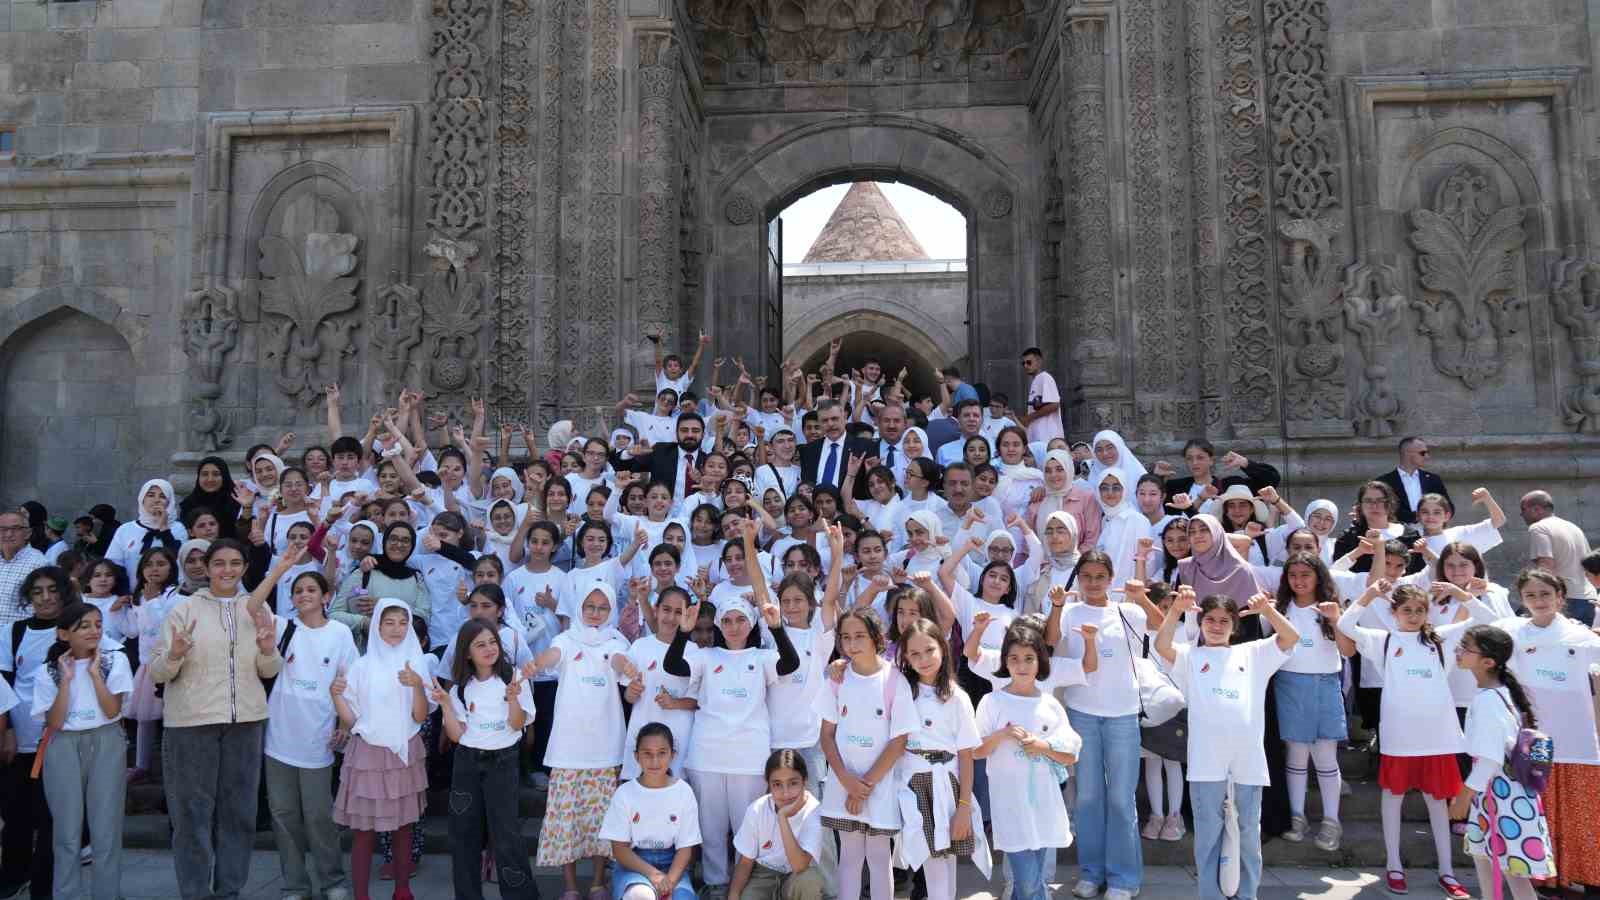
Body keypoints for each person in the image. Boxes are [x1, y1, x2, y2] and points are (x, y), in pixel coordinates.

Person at [665, 521, 801, 900]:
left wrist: (777, 628)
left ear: (751, 622)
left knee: (748, 826)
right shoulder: (706, 656)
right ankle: (715, 882)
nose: (734, 625)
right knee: (710, 827)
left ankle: (751, 884)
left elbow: (790, 665)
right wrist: (682, 632)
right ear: (719, 625)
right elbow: (674, 667)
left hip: (750, 756)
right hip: (708, 754)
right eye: (727, 620)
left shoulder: (762, 656)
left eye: (741, 619)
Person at [1337, 580, 1498, 899]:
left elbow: (1487, 621)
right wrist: (1370, 595)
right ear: (1393, 612)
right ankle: (1394, 866)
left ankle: (1447, 871)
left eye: (1419, 610)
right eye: (1406, 610)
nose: (1413, 615)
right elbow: (1345, 623)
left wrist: (1461, 594)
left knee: (1438, 804)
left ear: (1428, 613)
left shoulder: (1442, 638)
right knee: (1392, 800)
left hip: (1437, 738)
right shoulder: (1382, 639)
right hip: (1399, 737)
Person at [151, 539, 287, 900]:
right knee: (192, 818)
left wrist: (267, 649)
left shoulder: (256, 609)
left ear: (244, 568)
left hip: (246, 722)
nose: (227, 570)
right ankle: (195, 893)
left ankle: (229, 891)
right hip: (191, 725)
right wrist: (176, 653)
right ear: (206, 567)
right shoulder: (183, 610)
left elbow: (268, 670)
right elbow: (158, 672)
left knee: (239, 814)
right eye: (219, 563)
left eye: (235, 563)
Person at [1155, 587, 1299, 900]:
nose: (1217, 626)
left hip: (1247, 762)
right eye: (1210, 619)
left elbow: (1290, 638)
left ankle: (1247, 895)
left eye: (1224, 620)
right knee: (1208, 836)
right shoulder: (1191, 655)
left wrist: (1268, 612)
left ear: (1235, 625)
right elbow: (1162, 644)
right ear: (1201, 621)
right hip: (1206, 762)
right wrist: (1176, 609)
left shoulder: (1253, 653)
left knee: (1248, 834)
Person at [1491, 569, 1600, 893]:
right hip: (1535, 743)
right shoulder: (1512, 636)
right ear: (1522, 600)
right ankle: (1547, 879)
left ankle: (1588, 875)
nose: (1539, 601)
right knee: (1541, 811)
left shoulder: (1583, 639)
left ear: (1561, 598)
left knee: (1584, 812)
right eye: (1531, 595)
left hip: (1580, 740)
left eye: (1545, 594)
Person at [528, 583, 637, 900]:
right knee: (567, 822)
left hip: (605, 749)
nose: (595, 613)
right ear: (579, 607)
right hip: (568, 749)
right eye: (590, 606)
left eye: (603, 608)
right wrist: (538, 663)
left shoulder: (617, 641)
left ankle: (598, 882)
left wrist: (626, 666)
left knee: (604, 821)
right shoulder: (565, 639)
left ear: (610, 612)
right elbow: (553, 655)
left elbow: (618, 661)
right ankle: (571, 886)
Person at [262, 563, 360, 900]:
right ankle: (295, 885)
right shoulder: (281, 627)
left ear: (326, 597)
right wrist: (279, 571)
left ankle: (332, 880)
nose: (304, 595)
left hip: (318, 739)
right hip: (278, 739)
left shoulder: (340, 634)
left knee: (319, 816)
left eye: (311, 590)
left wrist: (345, 724)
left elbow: (351, 684)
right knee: (284, 815)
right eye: (298, 590)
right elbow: (250, 606)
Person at [329, 598, 434, 900]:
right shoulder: (361, 666)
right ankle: (361, 894)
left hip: (405, 752)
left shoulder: (417, 662)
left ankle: (403, 890)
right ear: (376, 624)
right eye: (389, 622)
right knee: (363, 832)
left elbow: (420, 716)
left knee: (403, 828)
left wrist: (416, 684)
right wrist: (335, 697)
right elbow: (352, 719)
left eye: (403, 622)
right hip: (368, 754)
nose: (397, 629)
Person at [32, 601, 133, 900]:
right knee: (66, 831)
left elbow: (113, 709)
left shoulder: (115, 661)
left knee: (106, 829)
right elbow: (55, 721)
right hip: (62, 745)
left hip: (106, 741)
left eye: (98, 624)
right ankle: (66, 894)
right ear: (64, 634)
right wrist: (65, 681)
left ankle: (107, 894)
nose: (94, 631)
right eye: (84, 626)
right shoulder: (48, 670)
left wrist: (94, 675)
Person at [974, 622, 1081, 900]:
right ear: (1005, 662)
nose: (1021, 665)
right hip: (1009, 805)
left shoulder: (1050, 705)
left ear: (1040, 662)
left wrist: (1043, 745)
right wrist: (1002, 734)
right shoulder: (991, 702)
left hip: (1043, 804)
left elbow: (1071, 752)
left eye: (1029, 658)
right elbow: (976, 751)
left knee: (1029, 885)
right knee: (1031, 883)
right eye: (1014, 658)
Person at [433, 620, 539, 900]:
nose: (489, 648)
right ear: (466, 653)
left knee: (506, 835)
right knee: (463, 835)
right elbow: (456, 736)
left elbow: (517, 725)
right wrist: (445, 703)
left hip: (503, 762)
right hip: (467, 763)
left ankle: (521, 896)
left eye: (492, 642)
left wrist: (513, 698)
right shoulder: (460, 687)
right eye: (480, 644)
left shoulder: (514, 677)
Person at [1449, 624, 1555, 900]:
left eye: (1465, 647)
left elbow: (1489, 759)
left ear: (1488, 662)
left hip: (1499, 796)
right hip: (1500, 794)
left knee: (1511, 873)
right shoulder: (1496, 694)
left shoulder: (1488, 701)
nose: (1458, 651)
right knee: (1490, 862)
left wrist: (1462, 797)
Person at [818, 609, 915, 900]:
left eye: (859, 636)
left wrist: (864, 786)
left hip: (879, 785)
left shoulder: (894, 680)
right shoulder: (837, 678)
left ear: (877, 637)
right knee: (848, 856)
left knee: (878, 856)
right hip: (842, 783)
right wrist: (848, 781)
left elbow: (899, 740)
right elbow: (826, 735)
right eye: (845, 637)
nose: (852, 643)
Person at [895, 618, 992, 900]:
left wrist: (963, 807)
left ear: (943, 649)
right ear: (905, 657)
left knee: (947, 862)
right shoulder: (901, 691)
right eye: (914, 654)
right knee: (933, 863)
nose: (923, 659)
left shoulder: (957, 697)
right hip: (914, 785)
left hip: (948, 786)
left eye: (929, 650)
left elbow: (966, 754)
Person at [1268, 552, 1357, 852]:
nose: (1299, 581)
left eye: (1306, 575)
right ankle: (1297, 816)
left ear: (1319, 576)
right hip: (1289, 684)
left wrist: (1336, 619)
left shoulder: (1330, 608)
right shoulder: (1281, 607)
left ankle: (1332, 821)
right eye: (1293, 575)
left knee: (1325, 754)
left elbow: (1348, 650)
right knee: (1295, 754)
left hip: (1325, 683)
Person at [601, 723, 703, 900]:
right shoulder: (625, 793)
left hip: (673, 866)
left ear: (673, 755)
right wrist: (654, 876)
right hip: (635, 865)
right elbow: (619, 849)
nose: (655, 761)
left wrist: (669, 882)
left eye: (662, 753)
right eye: (647, 754)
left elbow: (686, 848)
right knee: (641, 896)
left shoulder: (684, 792)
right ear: (636, 756)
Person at [728, 750, 828, 900]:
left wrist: (782, 818)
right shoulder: (757, 809)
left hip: (794, 876)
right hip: (762, 876)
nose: (786, 793)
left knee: (809, 880)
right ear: (768, 785)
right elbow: (745, 863)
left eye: (793, 783)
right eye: (777, 785)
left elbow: (800, 866)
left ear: (805, 781)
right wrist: (733, 896)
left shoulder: (813, 811)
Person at [1519, 490, 1598, 624]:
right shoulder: (1573, 527)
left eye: (1523, 510)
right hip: (1589, 599)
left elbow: (1546, 566)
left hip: (1566, 602)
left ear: (1536, 509)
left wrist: (1540, 600)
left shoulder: (1539, 528)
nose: (1522, 515)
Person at [799, 401, 877, 496]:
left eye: (834, 419)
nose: (830, 424)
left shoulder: (865, 447)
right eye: (825, 420)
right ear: (819, 423)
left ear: (845, 419)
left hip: (851, 508)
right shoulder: (808, 450)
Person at [1376, 437, 1450, 525]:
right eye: (1422, 453)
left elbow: (1448, 506)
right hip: (1399, 534)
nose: (1427, 457)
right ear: (1407, 453)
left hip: (1431, 531)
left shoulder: (1433, 479)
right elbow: (1383, 510)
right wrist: (1416, 517)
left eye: (1427, 453)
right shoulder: (1384, 482)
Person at [0, 510, 52, 632]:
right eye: (2, 529)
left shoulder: (39, 564)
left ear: (28, 533)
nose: (8, 534)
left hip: (17, 638)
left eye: (16, 528)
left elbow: (46, 607)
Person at [1018, 348, 1063, 444]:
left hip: (1048, 437)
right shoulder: (1036, 380)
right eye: (1023, 363)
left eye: (1029, 362)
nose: (1025, 366)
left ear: (1039, 361)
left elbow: (1054, 405)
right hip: (1038, 437)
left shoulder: (1045, 378)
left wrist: (1029, 418)